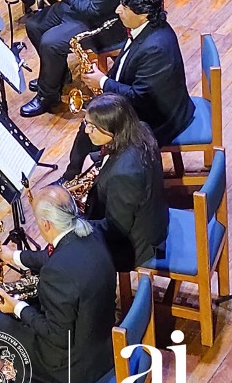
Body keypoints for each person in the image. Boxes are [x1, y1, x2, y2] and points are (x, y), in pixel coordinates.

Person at [0, 185, 117, 383]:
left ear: (46, 224)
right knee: (30, 304)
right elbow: (52, 256)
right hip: (102, 349)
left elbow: (56, 335)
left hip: (70, 370)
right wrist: (13, 255)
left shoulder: (57, 272)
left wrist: (17, 308)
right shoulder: (91, 233)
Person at [67, 0, 194, 179]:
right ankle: (73, 173)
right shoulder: (144, 27)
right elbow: (128, 67)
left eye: (124, 7)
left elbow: (141, 98)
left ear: (142, 13)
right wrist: (104, 79)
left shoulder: (156, 48)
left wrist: (102, 83)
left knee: (96, 125)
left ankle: (100, 178)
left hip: (161, 119)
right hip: (149, 103)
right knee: (91, 121)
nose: (118, 10)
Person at [70, 94, 170, 272]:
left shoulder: (123, 175)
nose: (87, 131)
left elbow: (115, 230)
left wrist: (72, 226)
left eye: (93, 127)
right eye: (87, 123)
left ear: (112, 129)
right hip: (154, 216)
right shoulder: (141, 129)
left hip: (134, 247)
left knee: (68, 255)